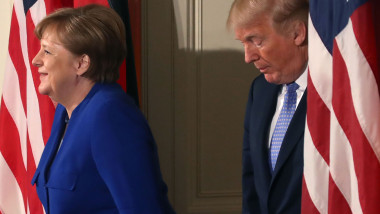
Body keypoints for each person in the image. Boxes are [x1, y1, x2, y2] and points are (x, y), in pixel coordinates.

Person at [31, 4, 175, 214]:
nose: (36, 60)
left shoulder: (110, 115)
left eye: (47, 51)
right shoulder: (66, 111)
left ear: (82, 63)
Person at [227, 0, 309, 213]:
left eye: (256, 41)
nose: (248, 57)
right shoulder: (259, 91)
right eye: (243, 43)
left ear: (297, 33)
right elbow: (252, 180)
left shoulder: (337, 98)